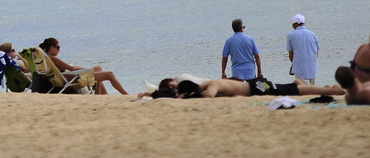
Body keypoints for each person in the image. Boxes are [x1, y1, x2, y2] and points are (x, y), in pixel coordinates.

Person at [40, 37, 129, 95]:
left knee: (98, 68)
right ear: (51, 47)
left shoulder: (47, 59)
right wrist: (82, 69)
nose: (59, 50)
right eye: (58, 47)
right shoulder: (53, 59)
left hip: (70, 76)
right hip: (76, 78)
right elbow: (71, 68)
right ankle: (125, 95)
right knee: (110, 74)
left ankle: (104, 95)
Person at [141, 76, 344, 99]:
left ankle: (333, 91)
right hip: (253, 85)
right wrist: (152, 93)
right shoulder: (205, 84)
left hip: (256, 89)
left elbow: (209, 96)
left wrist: (185, 98)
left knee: (295, 92)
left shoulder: (210, 86)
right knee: (289, 88)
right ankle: (329, 88)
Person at [286, 14, 319, 85]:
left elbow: (291, 55)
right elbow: (316, 53)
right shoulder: (313, 34)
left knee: (302, 88)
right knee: (313, 89)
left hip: (299, 69)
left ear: (294, 25)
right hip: (312, 69)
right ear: (304, 23)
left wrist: (294, 64)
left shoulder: (290, 36)